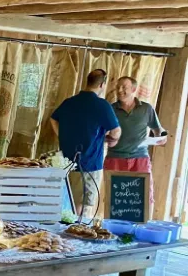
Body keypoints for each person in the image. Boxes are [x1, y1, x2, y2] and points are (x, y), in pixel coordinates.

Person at [50, 69, 121, 215]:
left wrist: (61, 135)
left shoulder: (69, 102)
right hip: (90, 163)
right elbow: (116, 132)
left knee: (66, 199)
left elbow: (53, 119)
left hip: (65, 162)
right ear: (102, 85)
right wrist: (107, 139)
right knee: (82, 205)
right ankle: (75, 232)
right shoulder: (102, 105)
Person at [104, 75, 167, 214]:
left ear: (133, 89)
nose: (119, 90)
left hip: (140, 158)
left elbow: (158, 129)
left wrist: (162, 137)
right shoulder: (110, 109)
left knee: (145, 194)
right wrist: (106, 138)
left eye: (124, 87)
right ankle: (113, 228)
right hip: (115, 158)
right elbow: (99, 132)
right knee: (114, 196)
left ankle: (143, 228)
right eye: (118, 87)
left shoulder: (146, 109)